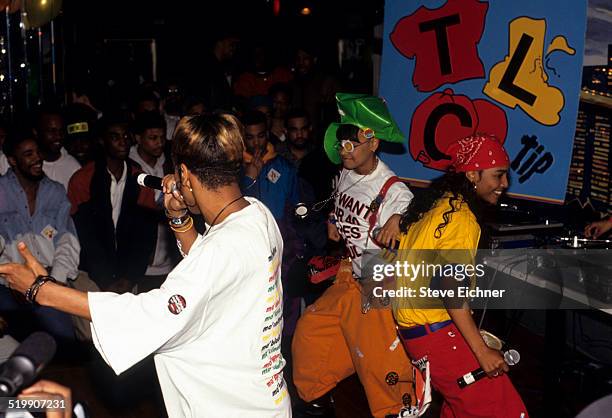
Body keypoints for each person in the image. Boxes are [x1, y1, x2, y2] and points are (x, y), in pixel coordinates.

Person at [0, 113, 291, 417]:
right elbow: (211, 270)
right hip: (263, 396)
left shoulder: (222, 249)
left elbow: (145, 313)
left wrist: (40, 290)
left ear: (184, 174)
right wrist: (179, 218)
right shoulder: (257, 215)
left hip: (232, 408)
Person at [292, 93, 418, 418]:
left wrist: (400, 220)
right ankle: (316, 403)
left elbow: (415, 214)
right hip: (348, 274)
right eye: (342, 144)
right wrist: (334, 221)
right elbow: (342, 206)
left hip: (379, 281)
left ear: (373, 143)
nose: (344, 151)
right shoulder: (346, 173)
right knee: (311, 332)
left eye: (352, 145)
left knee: (379, 365)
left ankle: (398, 411)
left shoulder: (393, 191)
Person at [393, 134, 529, 417]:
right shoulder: (461, 219)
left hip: (417, 335)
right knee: (503, 410)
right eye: (498, 175)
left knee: (460, 408)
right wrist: (481, 352)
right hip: (436, 335)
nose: (505, 184)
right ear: (472, 174)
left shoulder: (435, 207)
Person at [0, 127, 77, 341]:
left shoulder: (55, 191)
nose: (37, 159)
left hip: (48, 281)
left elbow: (67, 240)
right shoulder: (1, 193)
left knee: (64, 337)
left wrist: (56, 277)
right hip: (8, 285)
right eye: (28, 154)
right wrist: (14, 280)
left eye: (37, 152)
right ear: (12, 161)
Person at [67, 114, 158, 292]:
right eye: (115, 137)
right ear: (101, 141)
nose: (123, 142)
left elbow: (146, 233)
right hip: (90, 275)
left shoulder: (139, 178)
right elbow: (83, 234)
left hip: (128, 277)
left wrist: (130, 277)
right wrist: (106, 279)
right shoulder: (83, 179)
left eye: (125, 136)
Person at [129, 112, 177, 291]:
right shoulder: (128, 167)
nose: (159, 142)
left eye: (162, 137)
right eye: (152, 138)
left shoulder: (170, 164)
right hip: (139, 266)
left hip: (169, 263)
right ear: (138, 138)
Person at [35, 107, 81, 190]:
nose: (58, 136)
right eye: (52, 131)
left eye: (61, 131)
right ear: (36, 132)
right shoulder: (27, 164)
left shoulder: (73, 168)